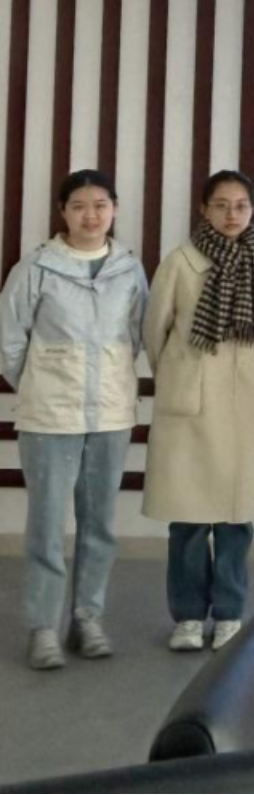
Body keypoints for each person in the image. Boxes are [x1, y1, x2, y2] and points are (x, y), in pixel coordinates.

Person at [1, 170, 148, 670]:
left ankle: (87, 617)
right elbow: (9, 340)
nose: (91, 215)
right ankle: (43, 626)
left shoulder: (129, 269)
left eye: (101, 204)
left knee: (99, 522)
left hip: (110, 412)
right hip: (49, 414)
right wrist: (42, 381)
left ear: (115, 209)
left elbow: (136, 334)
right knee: (46, 524)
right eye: (80, 206)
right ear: (63, 211)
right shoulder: (36, 267)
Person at [143, 170, 254, 653]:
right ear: (203, 210)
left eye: (241, 205)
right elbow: (154, 332)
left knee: (235, 520)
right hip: (192, 404)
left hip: (244, 403)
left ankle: (229, 612)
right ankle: (187, 615)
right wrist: (182, 376)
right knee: (187, 518)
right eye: (221, 205)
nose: (232, 214)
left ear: (253, 211)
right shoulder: (180, 262)